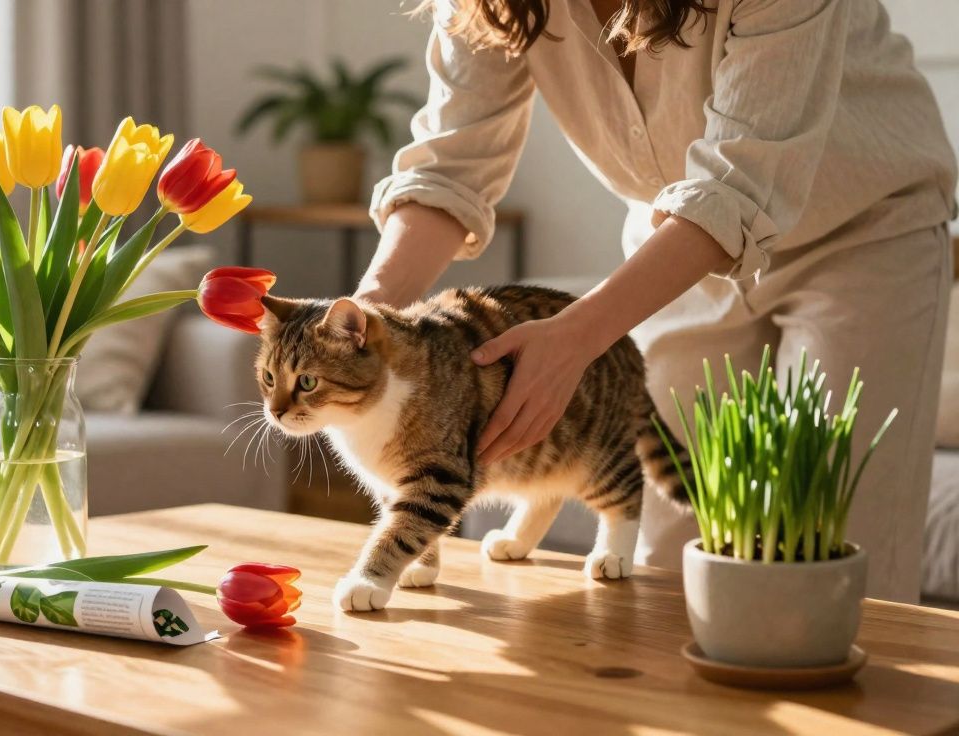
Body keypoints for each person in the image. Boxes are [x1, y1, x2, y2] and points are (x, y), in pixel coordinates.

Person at [355, 0, 957, 602]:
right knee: (664, 544)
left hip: (862, 229)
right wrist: (361, 319)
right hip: (677, 245)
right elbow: (451, 165)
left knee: (837, 545)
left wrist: (577, 339)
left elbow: (739, 181)